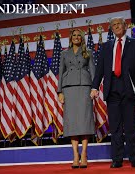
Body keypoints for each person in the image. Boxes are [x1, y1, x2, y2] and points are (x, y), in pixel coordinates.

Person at [90, 16, 135, 168]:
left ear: (125, 26)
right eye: (113, 25)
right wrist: (95, 87)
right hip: (112, 90)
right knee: (115, 128)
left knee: (130, 127)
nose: (116, 26)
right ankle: (117, 160)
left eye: (119, 24)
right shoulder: (105, 47)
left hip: (130, 89)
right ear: (111, 28)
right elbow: (100, 70)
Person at [57, 28, 95, 168]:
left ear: (82, 38)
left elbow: (93, 71)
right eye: (74, 35)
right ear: (70, 37)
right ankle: (75, 155)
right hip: (69, 89)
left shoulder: (88, 52)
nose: (77, 37)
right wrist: (59, 92)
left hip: (85, 87)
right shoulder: (64, 54)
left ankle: (84, 154)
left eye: (79, 35)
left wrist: (94, 88)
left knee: (84, 121)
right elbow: (61, 72)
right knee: (72, 122)